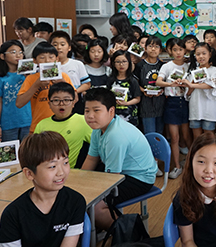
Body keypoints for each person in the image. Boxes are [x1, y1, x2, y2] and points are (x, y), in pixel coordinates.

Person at [82, 88, 156, 231]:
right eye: (87, 111)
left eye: (96, 110)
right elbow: (91, 159)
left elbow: (111, 179)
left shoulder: (116, 135)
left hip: (139, 178)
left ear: (111, 111)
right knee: (83, 192)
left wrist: (87, 193)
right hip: (121, 172)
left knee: (93, 205)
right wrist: (80, 186)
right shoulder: (98, 128)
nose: (90, 116)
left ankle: (126, 232)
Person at [0, 131, 86, 247]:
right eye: (52, 166)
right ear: (29, 173)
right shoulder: (14, 214)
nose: (61, 172)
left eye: (65, 162)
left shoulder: (75, 201)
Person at [16, 42, 74, 132]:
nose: (47, 61)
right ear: (35, 61)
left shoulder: (64, 76)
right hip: (39, 127)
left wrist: (63, 82)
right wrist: (36, 85)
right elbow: (19, 103)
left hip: (63, 126)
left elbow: (75, 99)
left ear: (57, 59)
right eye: (42, 57)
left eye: (51, 57)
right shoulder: (31, 79)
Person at [34, 82, 92, 168]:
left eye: (66, 100)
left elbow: (99, 146)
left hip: (73, 173)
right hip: (48, 173)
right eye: (56, 100)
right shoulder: (42, 124)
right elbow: (35, 152)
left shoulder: (84, 121)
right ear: (49, 104)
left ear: (73, 103)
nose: (61, 104)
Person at [156, 38, 190, 179]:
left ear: (185, 51)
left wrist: (186, 86)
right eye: (175, 49)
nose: (178, 53)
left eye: (180, 49)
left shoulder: (189, 65)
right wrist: (171, 84)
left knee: (187, 137)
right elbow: (158, 81)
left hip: (186, 102)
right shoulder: (167, 66)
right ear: (170, 51)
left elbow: (193, 84)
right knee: (174, 138)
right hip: (171, 103)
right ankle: (177, 166)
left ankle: (189, 165)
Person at [0, 40, 31, 142]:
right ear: (2, 56)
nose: (18, 55)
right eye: (13, 52)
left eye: (20, 52)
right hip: (8, 122)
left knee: (28, 153)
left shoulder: (29, 74)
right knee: (9, 154)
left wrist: (29, 78)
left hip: (28, 120)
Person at [183, 42, 216, 138]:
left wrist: (192, 84)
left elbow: (211, 85)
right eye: (198, 54)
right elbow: (187, 94)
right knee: (197, 139)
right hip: (195, 110)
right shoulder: (192, 71)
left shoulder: (214, 70)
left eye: (204, 53)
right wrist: (191, 85)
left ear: (210, 54)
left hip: (209, 110)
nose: (201, 56)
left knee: (209, 139)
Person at [134, 36, 165, 134]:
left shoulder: (163, 66)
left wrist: (162, 90)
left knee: (160, 133)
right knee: (149, 133)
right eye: (150, 46)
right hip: (146, 105)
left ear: (160, 50)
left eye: (156, 46)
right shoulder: (140, 65)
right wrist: (144, 91)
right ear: (145, 48)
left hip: (161, 104)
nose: (153, 49)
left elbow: (167, 83)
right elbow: (135, 84)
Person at [50, 31, 91, 96]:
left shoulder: (77, 64)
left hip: (75, 98)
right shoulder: (48, 66)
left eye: (62, 44)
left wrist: (74, 92)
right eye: (55, 45)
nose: (59, 47)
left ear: (69, 47)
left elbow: (87, 84)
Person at [107, 50, 141, 127]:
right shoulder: (110, 80)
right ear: (113, 63)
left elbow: (137, 98)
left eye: (124, 61)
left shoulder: (133, 80)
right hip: (114, 114)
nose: (121, 64)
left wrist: (126, 103)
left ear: (129, 62)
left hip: (129, 114)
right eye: (118, 62)